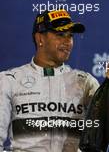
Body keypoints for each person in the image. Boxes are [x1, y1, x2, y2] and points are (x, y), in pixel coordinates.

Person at [0, 9, 100, 152]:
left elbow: (103, 132)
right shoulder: (9, 80)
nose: (68, 42)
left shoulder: (86, 83)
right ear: (40, 39)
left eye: (70, 36)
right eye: (60, 35)